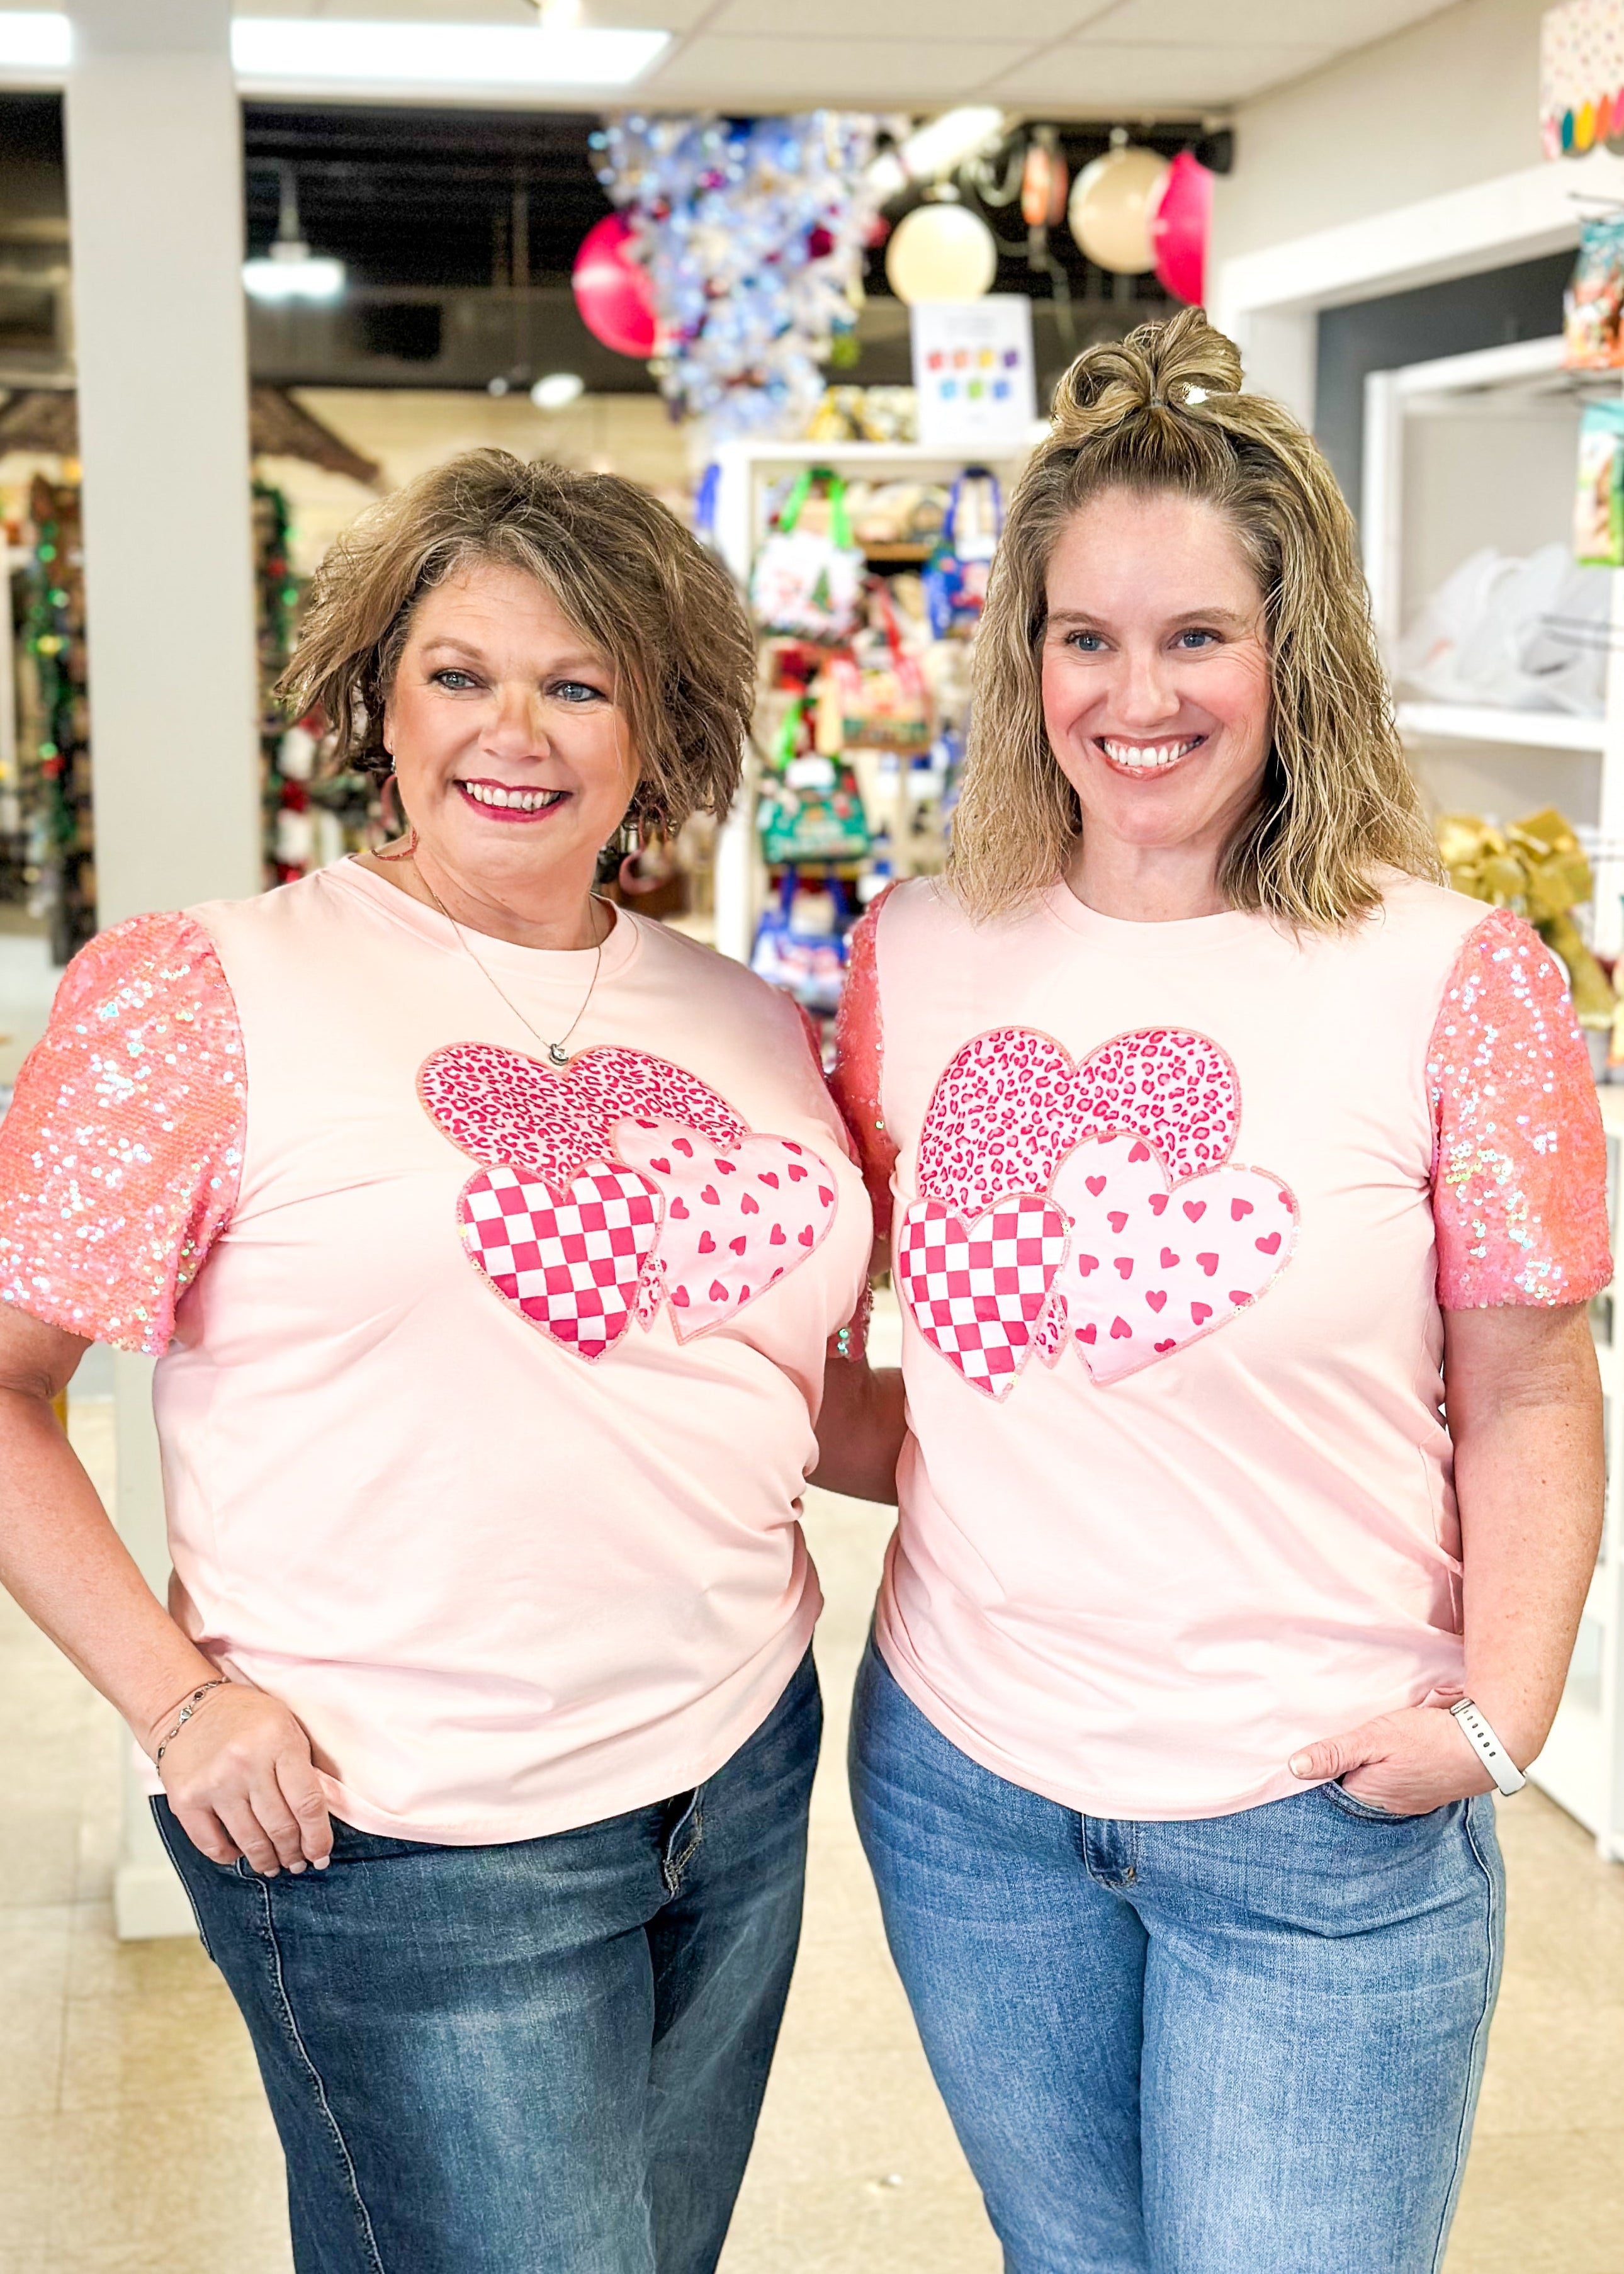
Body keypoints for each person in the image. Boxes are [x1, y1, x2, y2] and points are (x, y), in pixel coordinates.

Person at [0, 450, 872, 2274]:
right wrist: (179, 1704)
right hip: (400, 1834)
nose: (519, 732)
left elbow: (791, 1389)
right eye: (461, 673)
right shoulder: (199, 992)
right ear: (373, 701)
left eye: (581, 681)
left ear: (662, 722)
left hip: (734, 1777)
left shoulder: (740, 1015)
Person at [830, 311, 1611, 2274]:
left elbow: (1531, 1387)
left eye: (1195, 636)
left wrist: (1496, 1723)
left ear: (1293, 656)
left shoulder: (1454, 976)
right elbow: (843, 1343)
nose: (1135, 691)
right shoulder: (917, 952)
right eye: (1084, 636)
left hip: (1311, 1814)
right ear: (1025, 662)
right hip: (967, 1786)